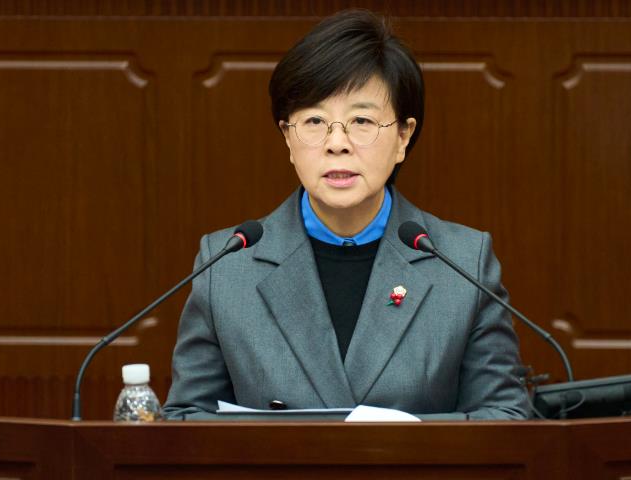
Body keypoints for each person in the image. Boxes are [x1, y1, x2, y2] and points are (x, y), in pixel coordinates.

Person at [163, 9, 530, 420]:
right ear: (287, 138)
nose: (337, 143)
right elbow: (185, 420)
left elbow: (505, 419)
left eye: (361, 120)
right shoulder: (227, 265)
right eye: (315, 120)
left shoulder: (462, 263)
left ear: (403, 136)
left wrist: (395, 443)